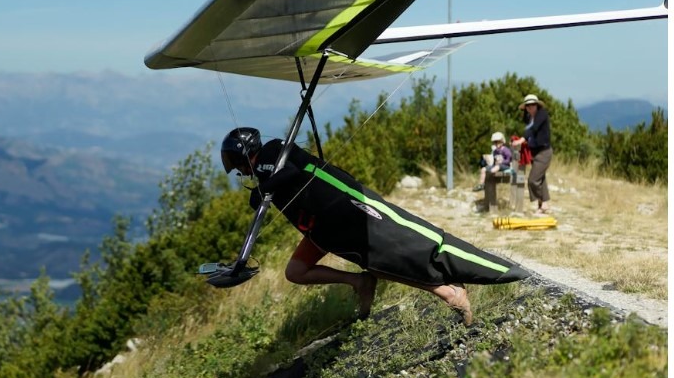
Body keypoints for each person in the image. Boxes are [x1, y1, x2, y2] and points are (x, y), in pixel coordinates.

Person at [220, 127, 530, 325]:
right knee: (295, 272)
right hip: (322, 228)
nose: (238, 170)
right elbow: (281, 182)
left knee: (386, 260)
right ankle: (359, 283)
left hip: (342, 212)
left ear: (243, 155)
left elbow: (289, 175)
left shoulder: (273, 155)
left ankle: (450, 293)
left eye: (236, 164)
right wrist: (262, 190)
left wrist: (264, 189)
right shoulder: (267, 168)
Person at [511, 94, 553, 215]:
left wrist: (521, 140)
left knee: (533, 180)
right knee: (541, 179)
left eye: (532, 105)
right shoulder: (529, 118)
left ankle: (542, 202)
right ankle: (543, 205)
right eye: (528, 106)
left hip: (544, 152)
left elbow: (533, 129)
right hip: (534, 152)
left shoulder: (542, 114)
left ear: (537, 105)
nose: (530, 107)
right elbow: (529, 130)